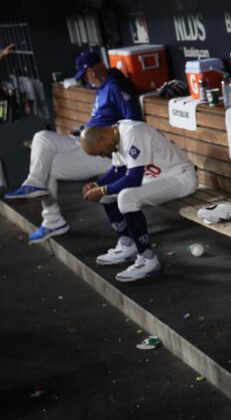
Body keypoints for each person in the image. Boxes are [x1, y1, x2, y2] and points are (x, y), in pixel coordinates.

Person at [5, 50, 141, 243]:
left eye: (85, 75)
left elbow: (133, 123)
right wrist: (83, 130)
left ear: (92, 72)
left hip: (103, 153)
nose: (86, 80)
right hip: (85, 143)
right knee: (42, 141)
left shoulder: (116, 86)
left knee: (45, 164)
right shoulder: (105, 85)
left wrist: (111, 145)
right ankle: (46, 208)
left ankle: (44, 204)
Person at [78, 120, 197, 282]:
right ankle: (127, 245)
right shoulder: (114, 137)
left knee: (126, 197)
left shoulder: (132, 132)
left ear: (101, 138)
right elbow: (118, 170)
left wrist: (102, 190)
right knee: (107, 195)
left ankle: (148, 259)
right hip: (155, 178)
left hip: (179, 177)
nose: (103, 155)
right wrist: (98, 185)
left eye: (100, 152)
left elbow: (133, 178)